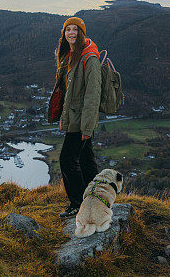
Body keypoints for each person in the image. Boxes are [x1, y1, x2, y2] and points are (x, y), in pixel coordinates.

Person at [51, 16, 101, 218]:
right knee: (86, 161)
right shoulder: (70, 56)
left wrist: (87, 128)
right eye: (67, 30)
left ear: (82, 33)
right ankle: (97, 200)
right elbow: (67, 93)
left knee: (67, 160)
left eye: (75, 30)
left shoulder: (89, 58)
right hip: (74, 118)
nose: (71, 33)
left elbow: (92, 95)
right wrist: (63, 116)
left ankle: (78, 205)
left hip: (82, 121)